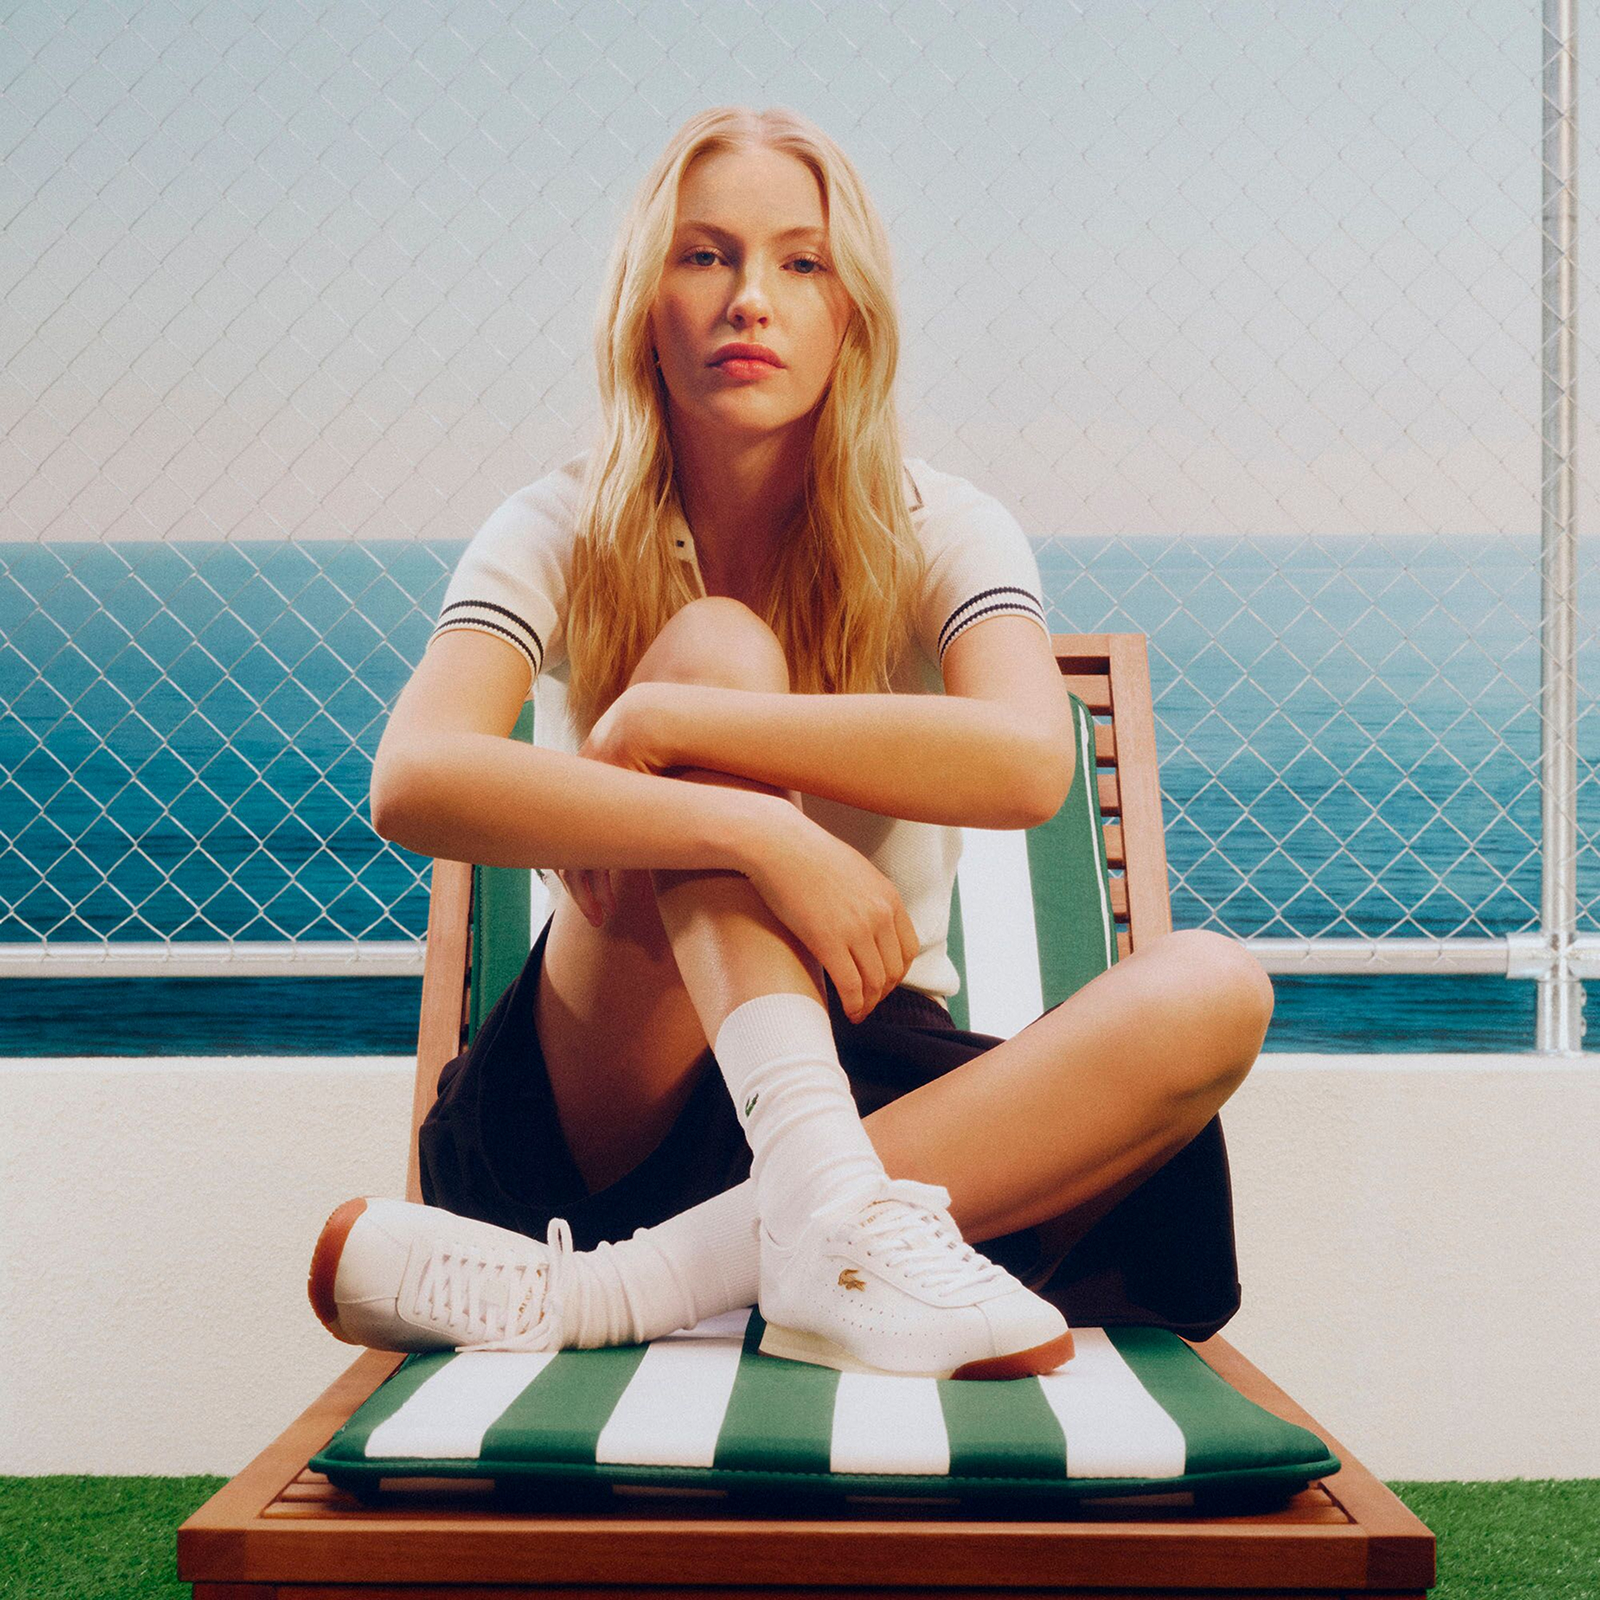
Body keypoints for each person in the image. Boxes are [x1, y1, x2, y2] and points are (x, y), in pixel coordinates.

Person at [305, 105, 1274, 1381]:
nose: (748, 298)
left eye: (799, 263)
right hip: (610, 1096)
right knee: (713, 639)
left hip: (875, 1093)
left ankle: (617, 1291)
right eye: (703, 256)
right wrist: (753, 825)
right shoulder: (560, 521)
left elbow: (1030, 761)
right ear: (644, 302)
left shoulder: (944, 525)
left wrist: (673, 728)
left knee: (1215, 990)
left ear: (851, 316)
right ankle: (810, 1222)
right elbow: (412, 777)